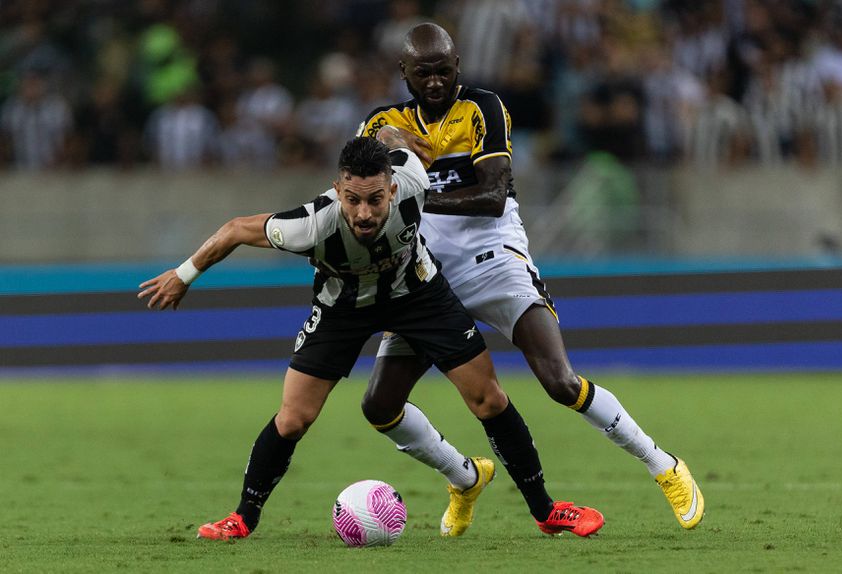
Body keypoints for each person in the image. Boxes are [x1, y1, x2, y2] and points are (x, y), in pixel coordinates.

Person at [137, 132, 604, 540]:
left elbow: (402, 146)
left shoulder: (413, 180)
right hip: (342, 308)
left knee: (489, 398)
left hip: (419, 294)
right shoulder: (311, 223)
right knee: (294, 417)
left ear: (393, 188)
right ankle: (242, 518)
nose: (364, 213)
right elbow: (236, 229)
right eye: (353, 200)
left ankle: (546, 512)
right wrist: (184, 273)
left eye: (375, 200)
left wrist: (397, 133)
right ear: (338, 190)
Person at [357, 23, 704, 535]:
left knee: (560, 382)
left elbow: (493, 194)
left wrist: (415, 194)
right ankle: (464, 476)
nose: (435, 82)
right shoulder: (380, 122)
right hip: (426, 276)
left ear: (458, 68)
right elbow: (356, 183)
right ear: (403, 73)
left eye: (444, 71)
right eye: (423, 73)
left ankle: (665, 466)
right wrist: (381, 143)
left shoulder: (484, 108)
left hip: (494, 259)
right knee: (380, 403)